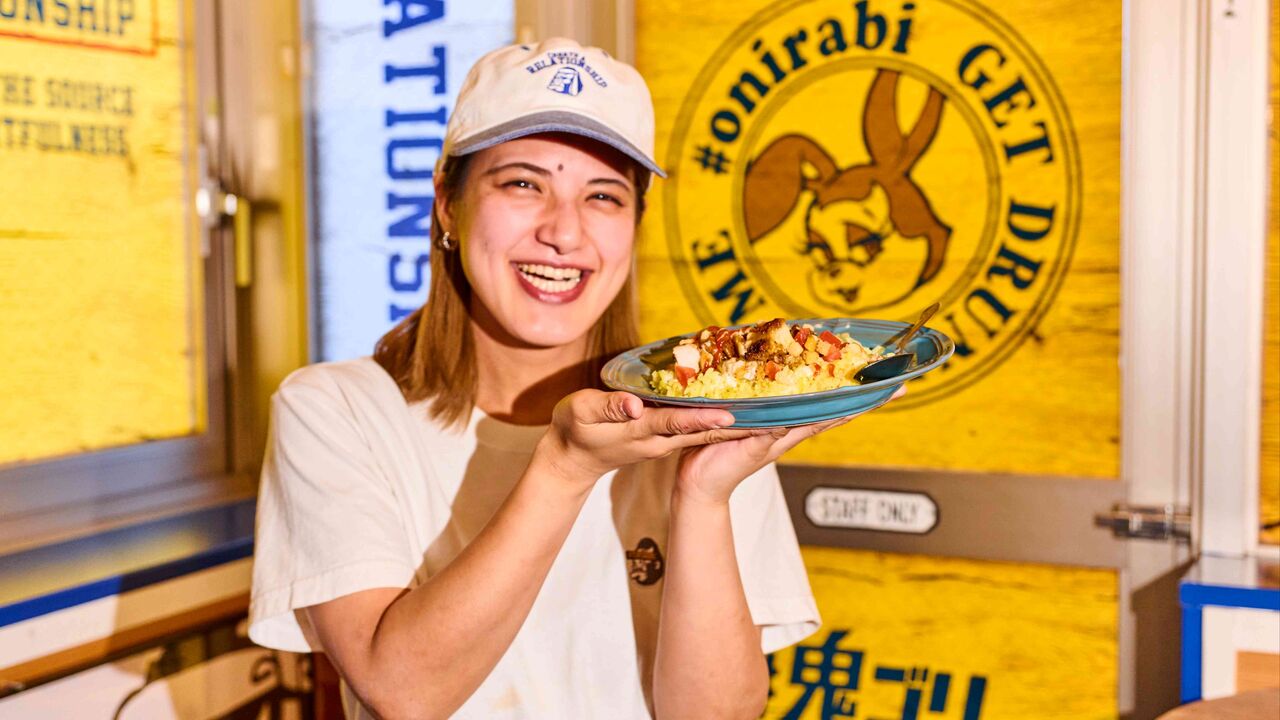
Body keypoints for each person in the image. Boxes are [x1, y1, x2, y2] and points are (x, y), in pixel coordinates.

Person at [248, 38, 897, 719]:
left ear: (636, 223)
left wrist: (702, 493)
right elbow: (403, 693)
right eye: (524, 183)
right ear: (447, 204)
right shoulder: (337, 411)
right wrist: (563, 469)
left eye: (604, 196)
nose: (564, 232)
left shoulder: (706, 408)